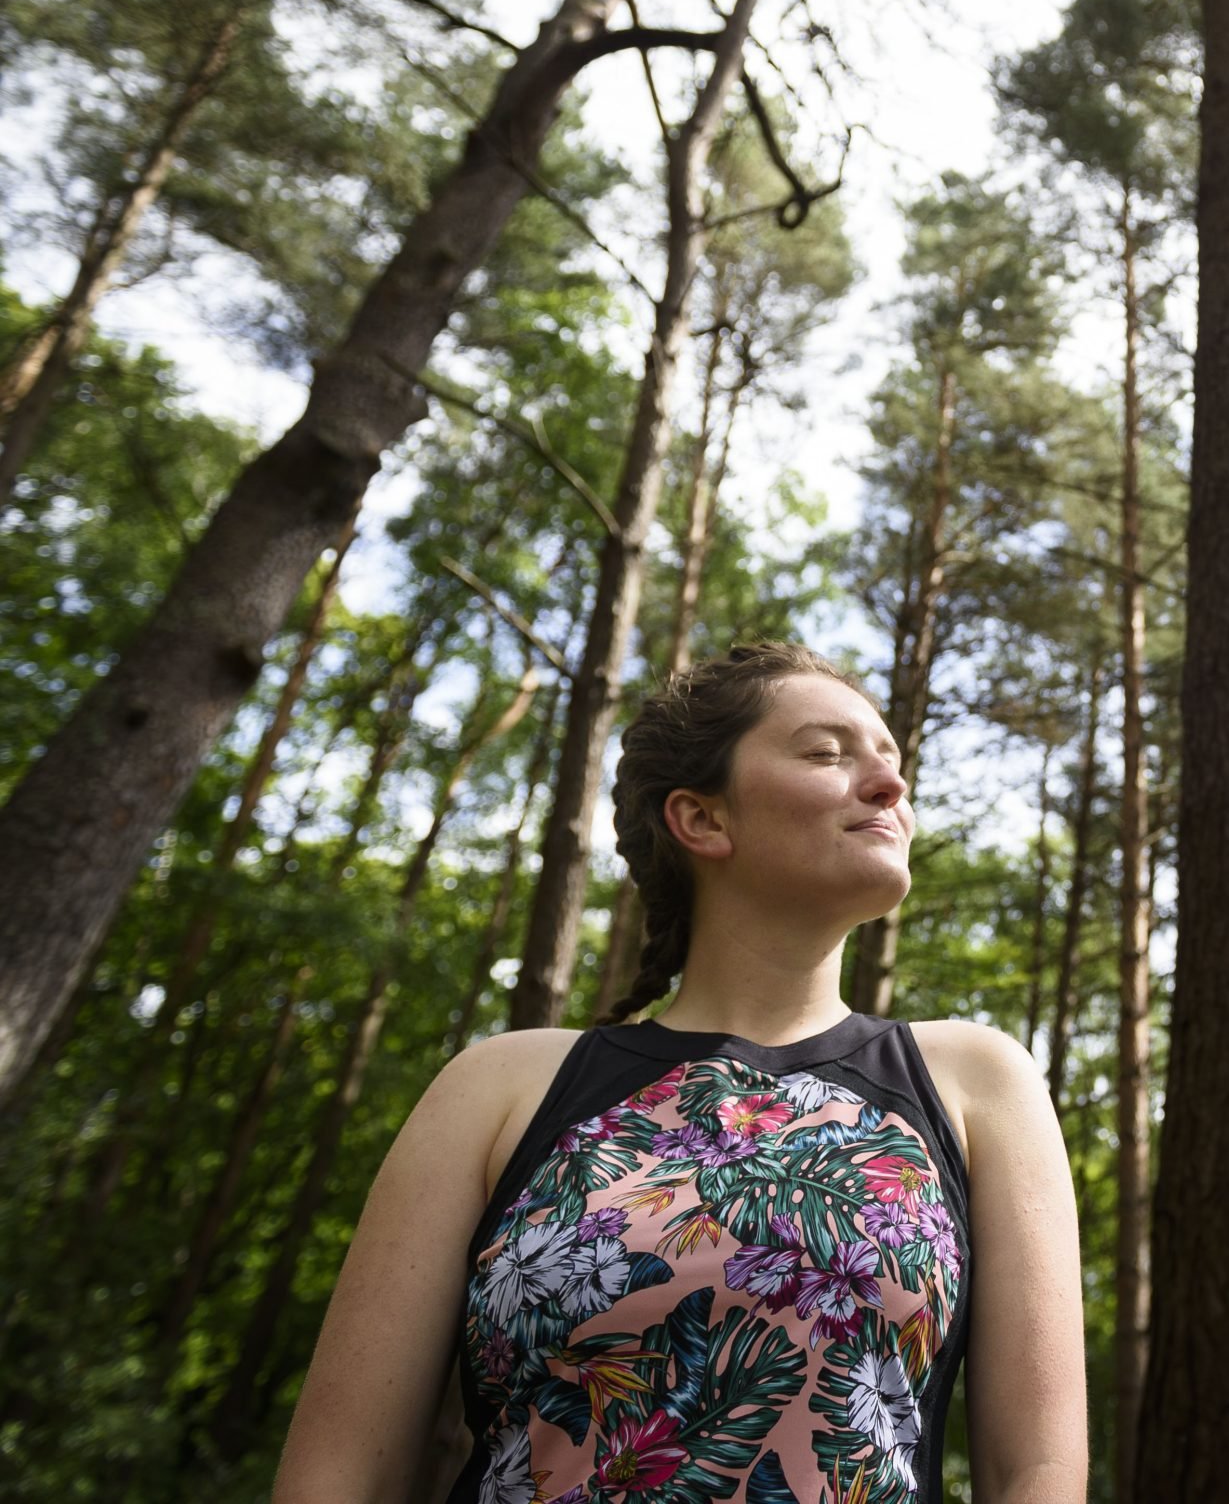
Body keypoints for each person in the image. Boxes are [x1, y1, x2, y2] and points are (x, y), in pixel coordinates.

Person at [273, 643, 1087, 1504]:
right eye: (826, 753)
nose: (891, 785)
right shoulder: (497, 1087)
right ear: (701, 820)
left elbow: (1034, 1472)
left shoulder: (975, 1081)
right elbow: (341, 1472)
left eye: (891, 762)